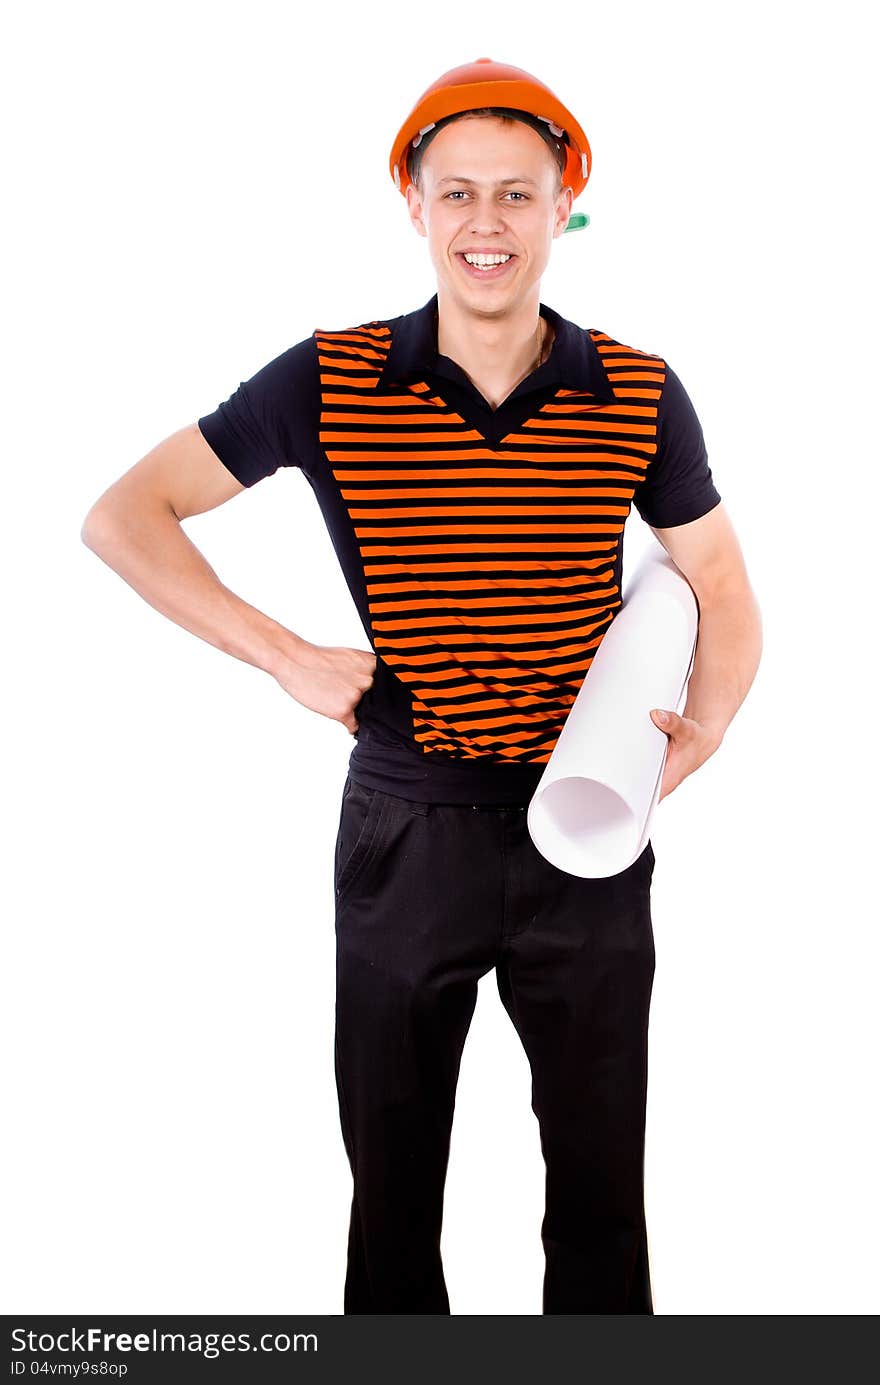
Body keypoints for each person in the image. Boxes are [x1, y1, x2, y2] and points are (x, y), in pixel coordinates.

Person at [81, 57, 762, 1314]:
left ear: (565, 206)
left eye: (516, 193)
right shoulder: (330, 380)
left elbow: (717, 578)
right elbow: (126, 516)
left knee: (604, 1193)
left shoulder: (636, 389)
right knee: (392, 1196)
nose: (485, 224)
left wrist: (704, 729)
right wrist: (283, 653)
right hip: (405, 827)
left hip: (589, 830)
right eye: (457, 194)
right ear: (413, 202)